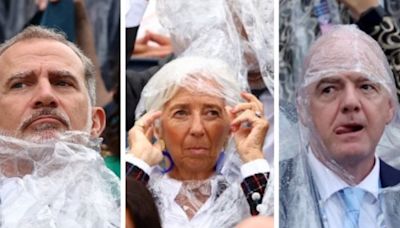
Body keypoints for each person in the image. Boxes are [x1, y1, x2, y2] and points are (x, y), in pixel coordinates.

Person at [127, 56, 271, 227]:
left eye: (211, 113)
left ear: (231, 125)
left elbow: (274, 218)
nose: (197, 129)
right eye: (181, 113)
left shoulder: (251, 187)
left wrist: (253, 156)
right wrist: (139, 161)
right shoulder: (141, 188)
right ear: (157, 127)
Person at [280, 25, 400, 228]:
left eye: (366, 87)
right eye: (328, 89)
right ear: (303, 108)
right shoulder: (274, 192)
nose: (350, 102)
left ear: (390, 107)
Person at [0, 25, 119, 226]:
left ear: (96, 123)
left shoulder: (127, 209)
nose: (45, 95)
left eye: (63, 83)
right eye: (20, 84)